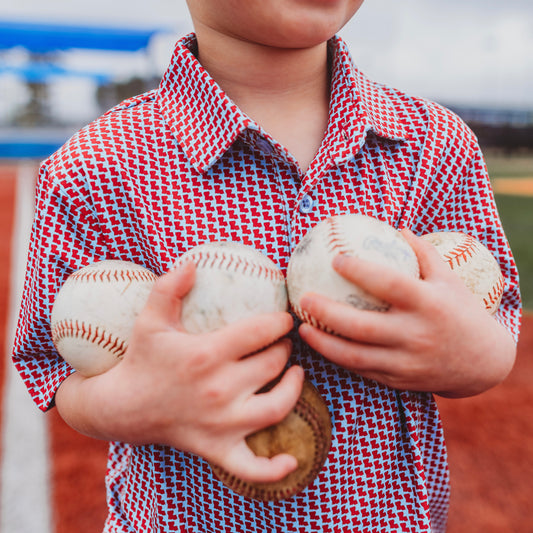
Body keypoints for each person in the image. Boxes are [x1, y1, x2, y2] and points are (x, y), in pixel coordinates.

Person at [13, 1, 521, 531]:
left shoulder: (436, 144)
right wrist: (135, 402)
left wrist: (470, 356)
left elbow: (496, 330)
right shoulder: (93, 168)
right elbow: (58, 371)